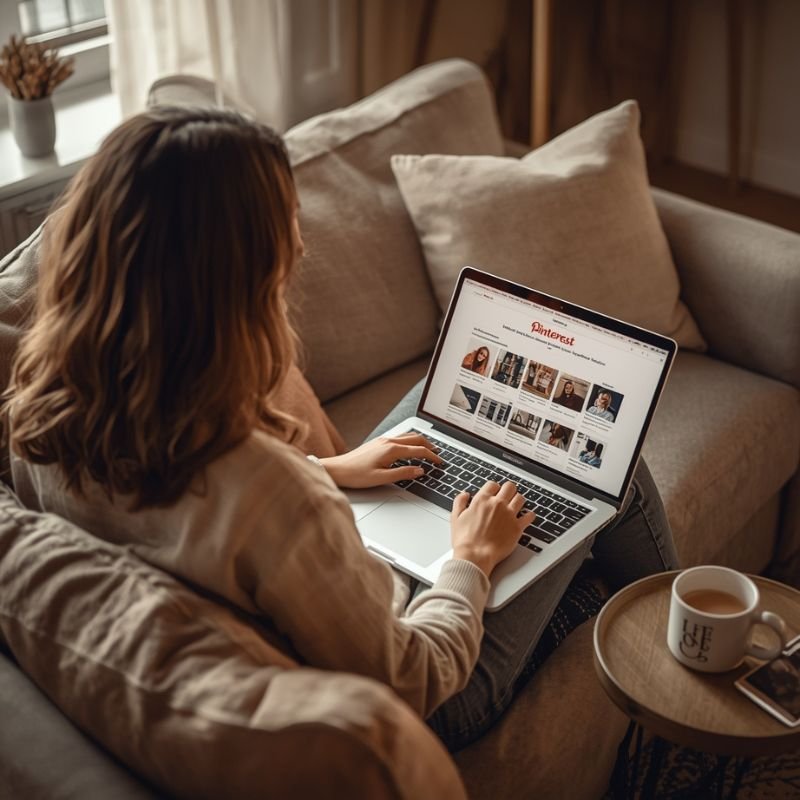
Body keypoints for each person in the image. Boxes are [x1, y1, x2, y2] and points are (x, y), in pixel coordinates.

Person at [2, 107, 679, 754]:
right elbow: (416, 679)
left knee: (445, 411)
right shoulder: (264, 489)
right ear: (230, 288)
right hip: (436, 694)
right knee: (602, 468)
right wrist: (468, 562)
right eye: (282, 233)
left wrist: (330, 469)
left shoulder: (41, 419)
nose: (298, 243)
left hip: (337, 597)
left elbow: (192, 526)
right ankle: (680, 656)